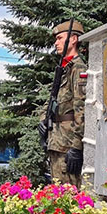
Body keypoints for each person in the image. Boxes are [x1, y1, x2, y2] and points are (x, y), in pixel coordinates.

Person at [37, 20, 88, 187]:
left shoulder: (78, 69)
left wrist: (76, 146)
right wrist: (43, 119)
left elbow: (81, 109)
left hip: (67, 145)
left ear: (73, 39)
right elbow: (52, 100)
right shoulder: (64, 69)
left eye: (60, 38)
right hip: (57, 141)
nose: (56, 43)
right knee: (58, 196)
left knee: (69, 196)